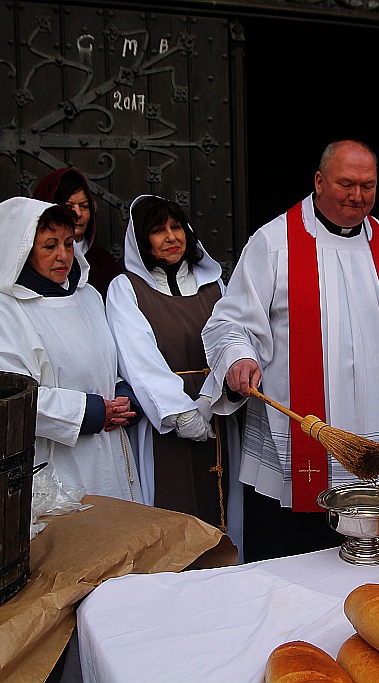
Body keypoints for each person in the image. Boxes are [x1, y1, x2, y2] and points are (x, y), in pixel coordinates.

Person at [202, 140, 379, 561]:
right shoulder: (273, 242)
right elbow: (230, 321)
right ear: (318, 181)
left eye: (368, 186)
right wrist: (239, 356)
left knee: (368, 573)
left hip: (375, 429)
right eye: (346, 184)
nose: (357, 196)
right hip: (297, 435)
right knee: (292, 567)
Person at [0, 196, 141, 501]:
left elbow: (103, 365)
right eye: (50, 246)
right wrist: (89, 412)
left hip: (109, 454)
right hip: (54, 465)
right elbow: (11, 396)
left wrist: (122, 394)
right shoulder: (2, 309)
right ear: (22, 252)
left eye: (69, 243)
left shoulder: (88, 296)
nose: (63, 255)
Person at [106, 195, 243, 554]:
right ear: (142, 240)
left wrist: (211, 399)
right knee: (170, 509)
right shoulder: (126, 289)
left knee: (223, 509)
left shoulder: (214, 286)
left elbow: (230, 341)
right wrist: (181, 412)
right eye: (158, 230)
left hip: (217, 410)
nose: (171, 237)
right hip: (163, 421)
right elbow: (137, 357)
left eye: (176, 226)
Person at [33, 167, 123, 300]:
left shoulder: (104, 263)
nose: (78, 214)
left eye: (84, 206)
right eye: (69, 207)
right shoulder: (32, 268)